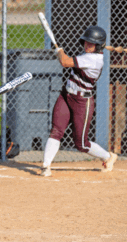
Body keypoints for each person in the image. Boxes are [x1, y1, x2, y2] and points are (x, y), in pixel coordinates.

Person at [40, 26, 118, 177]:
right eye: (86, 42)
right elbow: (68, 60)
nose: (87, 45)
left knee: (81, 143)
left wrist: (59, 51)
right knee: (56, 130)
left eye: (91, 43)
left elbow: (65, 61)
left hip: (82, 101)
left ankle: (108, 157)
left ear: (99, 46)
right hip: (66, 95)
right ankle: (46, 166)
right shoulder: (88, 54)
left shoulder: (94, 59)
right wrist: (61, 52)